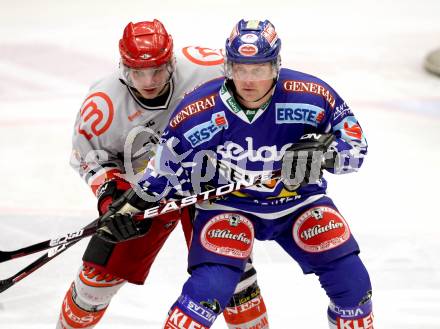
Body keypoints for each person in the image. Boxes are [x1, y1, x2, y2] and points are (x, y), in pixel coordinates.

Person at [99, 18, 374, 328]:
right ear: (228, 67)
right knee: (207, 292)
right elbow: (163, 171)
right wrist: (129, 206)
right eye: (240, 68)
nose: (247, 80)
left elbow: (357, 148)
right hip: (229, 206)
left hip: (299, 203)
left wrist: (326, 154)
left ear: (275, 66)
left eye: (257, 69)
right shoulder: (197, 110)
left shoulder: (312, 95)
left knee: (354, 286)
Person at [57, 19, 270, 329]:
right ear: (122, 66)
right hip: (143, 193)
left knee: (236, 283)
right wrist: (111, 196)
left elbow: (260, 87)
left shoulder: (207, 68)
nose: (148, 80)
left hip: (207, 185)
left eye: (157, 69)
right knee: (94, 283)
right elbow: (90, 158)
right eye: (138, 71)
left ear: (172, 60)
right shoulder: (103, 103)